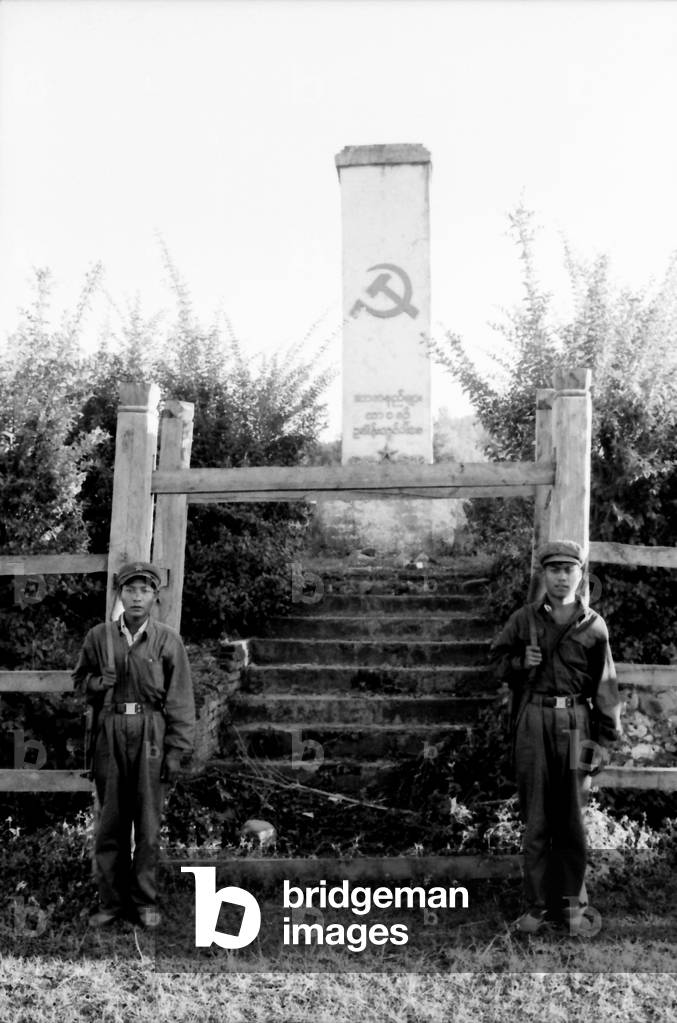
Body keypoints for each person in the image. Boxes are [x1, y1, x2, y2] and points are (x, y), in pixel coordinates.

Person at [489, 540, 622, 936]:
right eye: (554, 570)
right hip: (533, 720)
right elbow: (497, 662)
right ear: (543, 575)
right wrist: (518, 663)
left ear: (581, 575)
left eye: (569, 570)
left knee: (572, 821)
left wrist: (604, 736)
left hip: (578, 723)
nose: (562, 577)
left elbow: (606, 685)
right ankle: (535, 907)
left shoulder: (593, 625)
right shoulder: (524, 619)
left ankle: (571, 909)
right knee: (536, 819)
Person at [73, 561, 195, 929]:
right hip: (110, 732)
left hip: (151, 733)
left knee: (146, 823)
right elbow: (79, 682)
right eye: (130, 590)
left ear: (155, 597)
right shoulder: (99, 637)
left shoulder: (167, 640)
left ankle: (144, 902)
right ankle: (110, 902)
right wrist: (98, 683)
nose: (137, 596)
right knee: (110, 822)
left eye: (144, 590)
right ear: (120, 595)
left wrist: (176, 751)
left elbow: (181, 700)